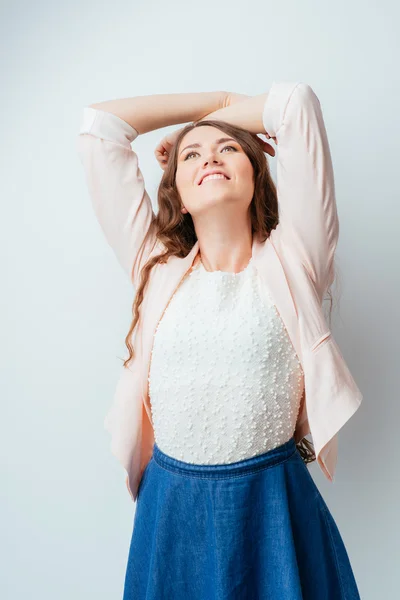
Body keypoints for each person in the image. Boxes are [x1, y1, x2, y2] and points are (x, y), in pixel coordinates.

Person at [77, 82, 363, 599]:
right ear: (178, 197)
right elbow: (101, 127)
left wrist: (220, 117)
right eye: (192, 156)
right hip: (173, 510)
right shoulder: (155, 268)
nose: (211, 157)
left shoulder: (296, 260)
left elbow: (296, 104)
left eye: (229, 148)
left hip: (272, 505)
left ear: (258, 172)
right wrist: (209, 107)